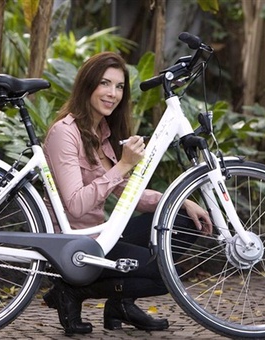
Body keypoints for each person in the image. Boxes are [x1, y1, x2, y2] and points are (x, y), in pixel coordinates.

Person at [42, 52, 213, 334]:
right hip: (76, 245)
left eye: (119, 87)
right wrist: (122, 165)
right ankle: (71, 291)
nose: (113, 94)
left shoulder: (104, 134)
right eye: (105, 84)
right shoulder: (65, 133)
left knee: (181, 223)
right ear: (88, 86)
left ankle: (120, 305)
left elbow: (129, 193)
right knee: (163, 274)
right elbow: (75, 205)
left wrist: (181, 202)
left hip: (104, 234)